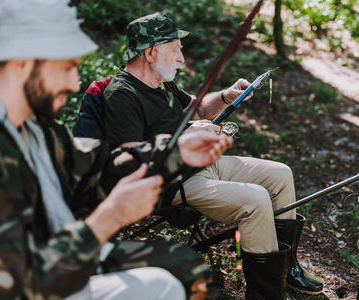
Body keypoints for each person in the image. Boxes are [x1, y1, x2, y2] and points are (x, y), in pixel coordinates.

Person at [0, 1, 233, 299]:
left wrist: (173, 150)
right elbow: (14, 283)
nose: (74, 83)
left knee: (181, 263)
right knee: (165, 283)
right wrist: (107, 220)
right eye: (66, 68)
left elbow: (96, 165)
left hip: (66, 256)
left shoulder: (36, 131)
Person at [98, 12, 324, 299]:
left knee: (280, 174)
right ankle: (266, 294)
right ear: (151, 52)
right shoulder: (122, 95)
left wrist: (227, 97)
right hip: (171, 183)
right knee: (255, 199)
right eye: (175, 50)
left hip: (199, 167)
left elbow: (198, 109)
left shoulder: (160, 82)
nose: (181, 58)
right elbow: (129, 163)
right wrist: (183, 138)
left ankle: (286, 270)